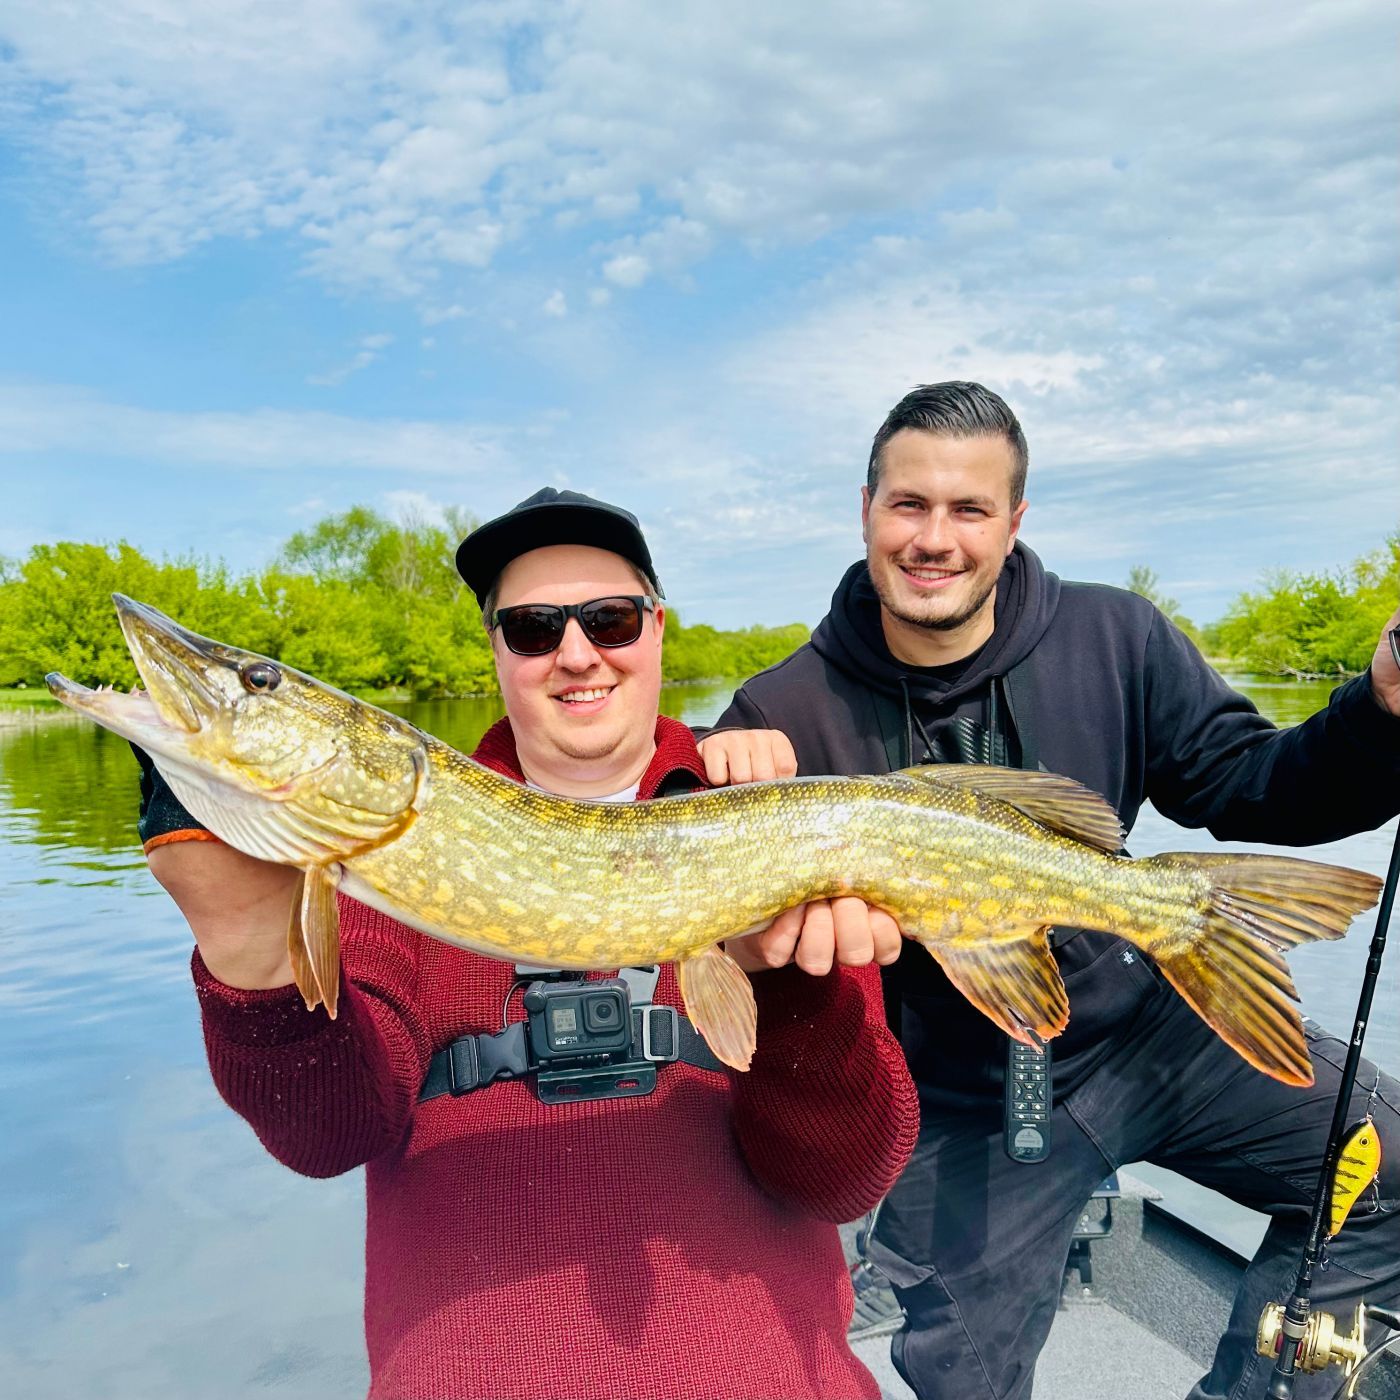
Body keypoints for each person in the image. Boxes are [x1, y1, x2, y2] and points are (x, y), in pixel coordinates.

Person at [136, 487, 919, 1400]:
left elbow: (846, 1182)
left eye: (611, 619)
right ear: (498, 651)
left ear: (658, 629)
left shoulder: (767, 822)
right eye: (535, 628)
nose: (576, 653)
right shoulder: (389, 863)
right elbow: (328, 1136)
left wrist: (788, 986)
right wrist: (250, 953)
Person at [699, 382, 1400, 1400]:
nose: (933, 537)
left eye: (967, 509)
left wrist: (1378, 708)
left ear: (1012, 521)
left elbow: (1254, 785)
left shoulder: (1114, 637)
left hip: (1148, 1038)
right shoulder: (776, 714)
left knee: (1386, 1165)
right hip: (958, 1106)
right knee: (964, 1380)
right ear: (865, 509)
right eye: (907, 505)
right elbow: (726, 933)